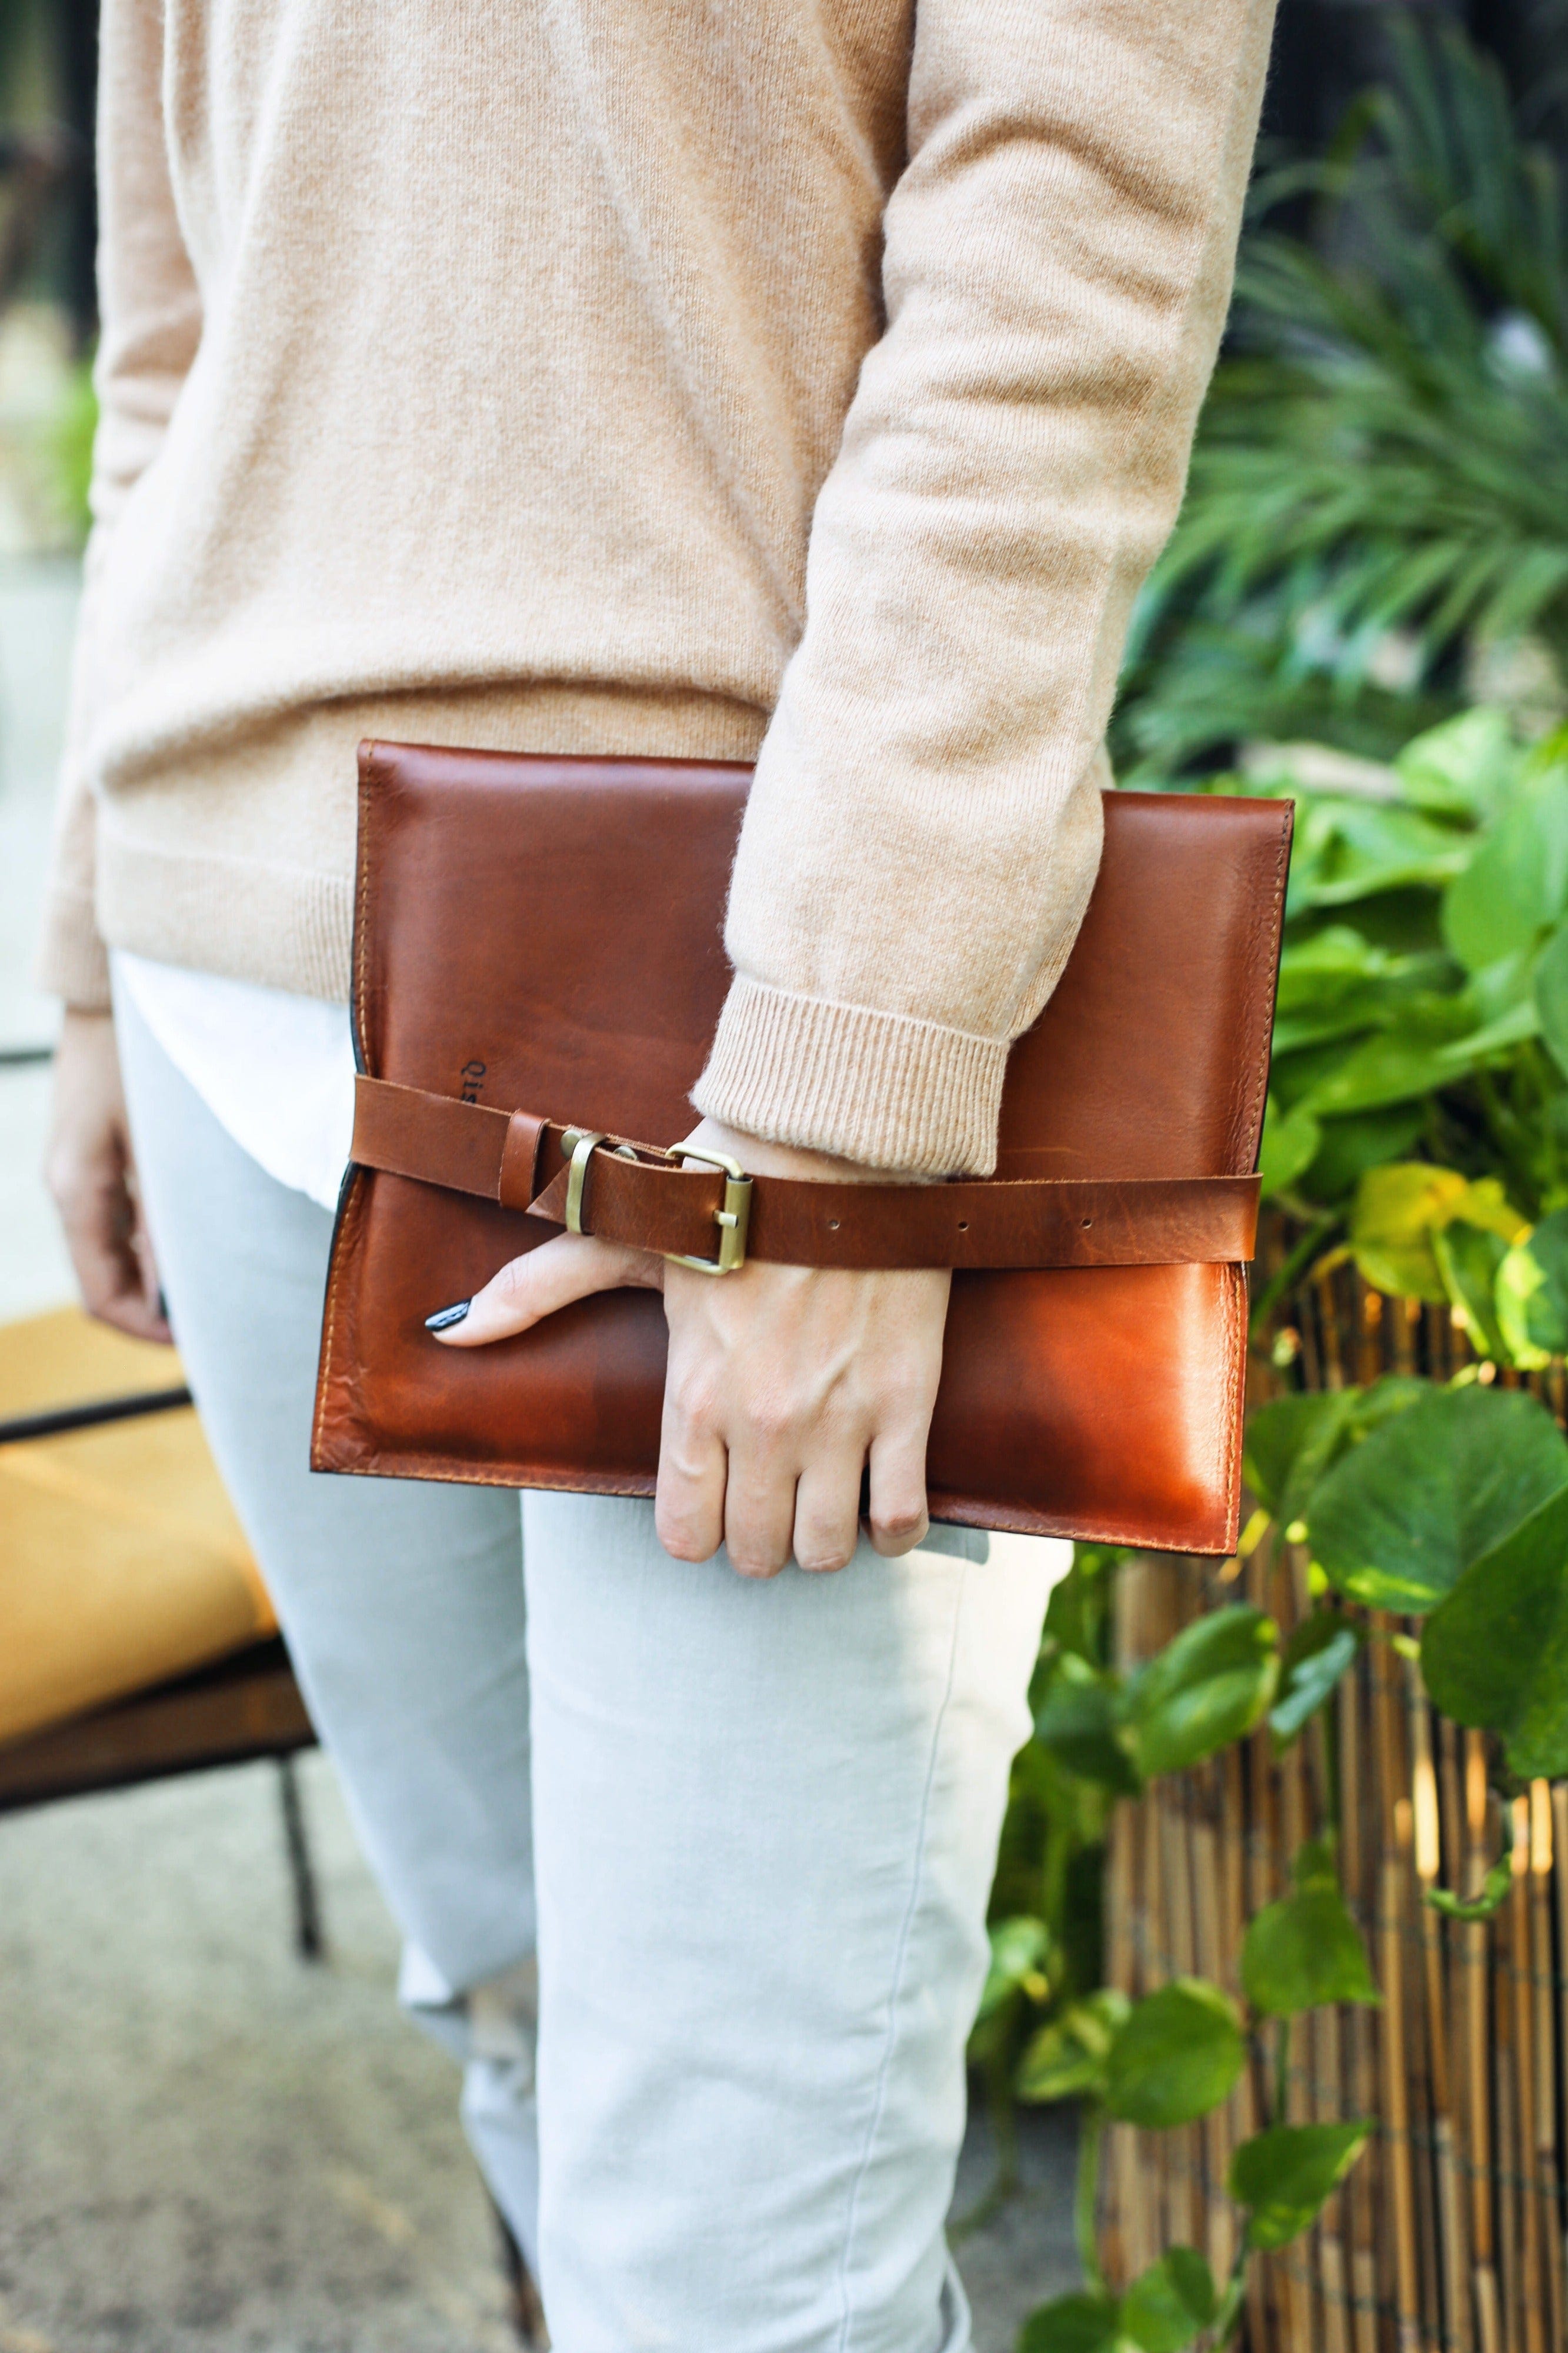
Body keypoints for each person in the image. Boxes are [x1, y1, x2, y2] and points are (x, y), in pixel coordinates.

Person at [42, 3, 1277, 2345]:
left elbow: (1054, 300)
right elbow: (177, 311)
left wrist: (827, 1129)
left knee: (735, 2271)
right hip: (230, 998)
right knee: (509, 1996)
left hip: (720, 1048)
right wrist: (104, 958)